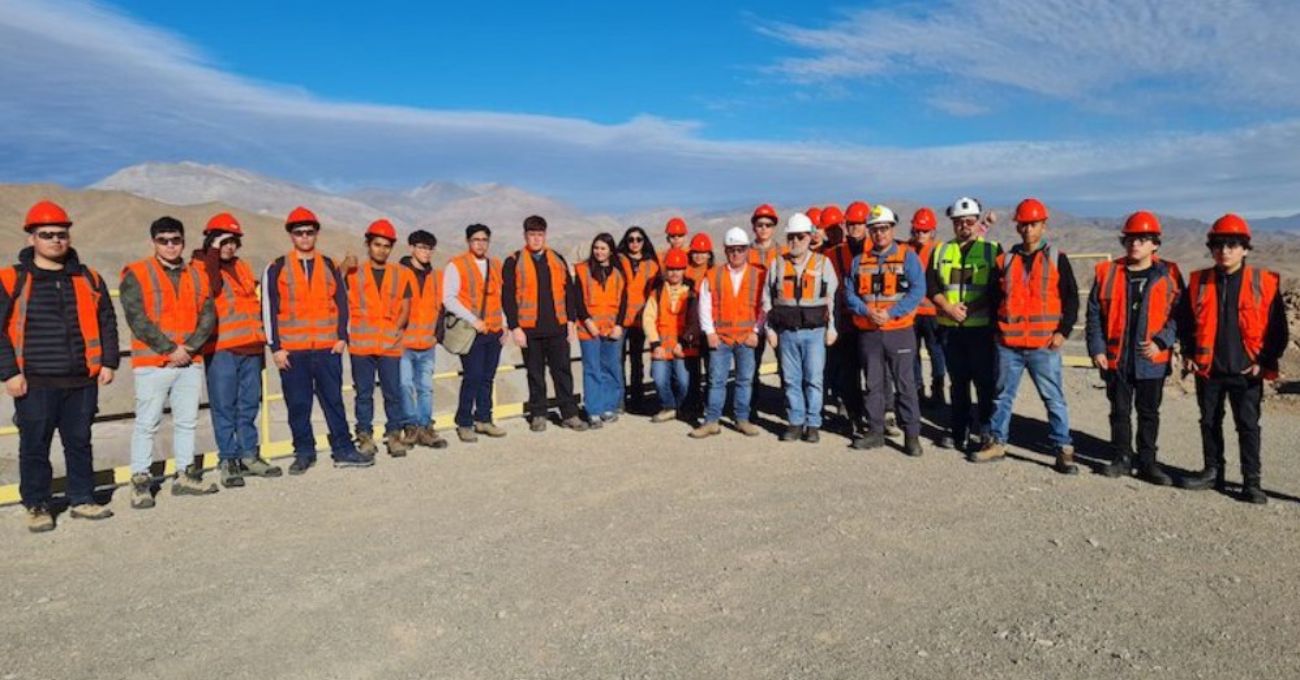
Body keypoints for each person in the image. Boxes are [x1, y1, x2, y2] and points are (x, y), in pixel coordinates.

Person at [1, 200, 120, 531]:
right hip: (34, 381)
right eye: (47, 234)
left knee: (79, 442)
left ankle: (82, 498)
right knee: (35, 446)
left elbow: (107, 321)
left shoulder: (88, 277)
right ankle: (37, 504)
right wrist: (9, 371)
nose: (56, 240)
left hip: (81, 379)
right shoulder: (11, 279)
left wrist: (109, 362)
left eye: (62, 234)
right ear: (31, 238)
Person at [1177, 214, 1288, 504]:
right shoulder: (1199, 281)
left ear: (1245, 249)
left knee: (1248, 426)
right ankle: (1214, 472)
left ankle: (1252, 482)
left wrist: (1264, 361)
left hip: (1246, 371)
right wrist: (1188, 353)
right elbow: (1186, 322)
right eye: (1218, 245)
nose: (1224, 250)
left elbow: (1278, 329)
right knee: (1209, 421)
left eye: (1232, 244)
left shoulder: (1263, 282)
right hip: (1209, 368)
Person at [971, 199, 1080, 474]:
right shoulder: (1005, 260)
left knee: (1053, 398)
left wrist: (1062, 333)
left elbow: (1071, 299)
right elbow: (994, 298)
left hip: (1045, 344)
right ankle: (997, 442)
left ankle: (1063, 448)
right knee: (1001, 397)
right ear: (1017, 227)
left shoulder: (1057, 258)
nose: (1028, 229)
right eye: (1023, 224)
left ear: (1043, 225)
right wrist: (998, 332)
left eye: (1033, 224)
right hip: (1009, 345)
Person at [263, 207, 373, 472]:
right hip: (293, 352)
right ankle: (303, 452)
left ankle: (343, 450)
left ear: (316, 234)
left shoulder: (328, 265)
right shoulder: (276, 267)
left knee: (333, 401)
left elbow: (342, 302)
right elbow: (268, 308)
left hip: (327, 349)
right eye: (299, 233)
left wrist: (341, 337)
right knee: (298, 404)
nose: (304, 237)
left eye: (309, 232)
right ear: (291, 235)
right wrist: (276, 348)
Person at [121, 216, 219, 507]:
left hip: (189, 360)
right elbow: (136, 317)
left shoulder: (198, 275)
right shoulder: (137, 273)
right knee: (147, 422)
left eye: (175, 240)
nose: (170, 245)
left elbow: (208, 314)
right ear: (154, 243)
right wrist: (168, 349)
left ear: (183, 242)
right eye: (163, 240)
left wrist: (188, 347)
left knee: (187, 421)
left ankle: (185, 475)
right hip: (153, 363)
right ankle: (140, 480)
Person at [1086, 211, 1181, 486]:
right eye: (1130, 239)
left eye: (1142, 239)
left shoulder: (1169, 273)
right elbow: (1094, 314)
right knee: (1119, 411)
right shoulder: (1108, 272)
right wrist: (1097, 348)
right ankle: (1122, 458)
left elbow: (1180, 315)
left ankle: (1148, 462)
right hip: (1116, 358)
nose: (1135, 244)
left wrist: (1162, 341)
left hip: (1151, 358)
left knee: (1149, 412)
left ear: (1155, 244)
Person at [192, 213, 281, 488]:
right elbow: (213, 289)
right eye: (223, 241)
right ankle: (228, 460)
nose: (230, 247)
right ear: (211, 241)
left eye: (234, 242)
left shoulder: (242, 266)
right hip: (222, 349)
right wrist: (213, 255)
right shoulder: (199, 266)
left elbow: (253, 300)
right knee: (224, 406)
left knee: (248, 405)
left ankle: (249, 455)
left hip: (250, 347)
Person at [844, 206, 926, 455]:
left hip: (899, 330)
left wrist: (891, 313)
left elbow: (917, 290)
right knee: (873, 384)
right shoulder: (860, 261)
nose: (879, 234)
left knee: (905, 384)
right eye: (875, 230)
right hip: (869, 332)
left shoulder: (907, 256)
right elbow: (849, 292)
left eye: (884, 229)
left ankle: (912, 437)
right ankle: (875, 432)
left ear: (892, 229)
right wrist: (867, 311)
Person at [928, 197, 1002, 451]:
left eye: (970, 221)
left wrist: (971, 309)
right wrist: (948, 308)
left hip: (981, 329)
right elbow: (932, 285)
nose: (964, 226)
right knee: (958, 383)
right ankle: (959, 429)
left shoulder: (992, 250)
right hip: (951, 329)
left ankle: (985, 430)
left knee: (984, 382)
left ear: (977, 222)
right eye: (959, 222)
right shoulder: (941, 251)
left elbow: (997, 288)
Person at [503, 215, 586, 432]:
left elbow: (569, 291)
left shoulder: (557, 259)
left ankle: (569, 413)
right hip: (529, 330)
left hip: (557, 328)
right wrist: (515, 327)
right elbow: (508, 296)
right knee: (535, 373)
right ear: (525, 236)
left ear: (545, 235)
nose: (536, 239)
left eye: (540, 234)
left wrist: (570, 320)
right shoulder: (514, 260)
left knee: (562, 372)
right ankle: (538, 413)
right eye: (532, 235)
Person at [763, 213, 838, 443]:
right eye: (792, 237)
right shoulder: (777, 264)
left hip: (814, 333)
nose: (796, 241)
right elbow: (767, 300)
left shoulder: (823, 263)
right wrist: (770, 330)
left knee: (814, 379)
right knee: (791, 380)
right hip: (786, 333)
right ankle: (795, 422)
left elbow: (832, 298)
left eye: (800, 236)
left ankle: (813, 424)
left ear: (809, 237)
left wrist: (832, 328)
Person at [347, 219, 413, 458]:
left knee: (392, 393)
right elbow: (330, 286)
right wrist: (344, 266)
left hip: (390, 345)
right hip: (362, 346)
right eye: (377, 244)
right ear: (368, 244)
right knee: (363, 394)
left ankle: (394, 435)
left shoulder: (400, 273)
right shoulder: (354, 272)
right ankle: (364, 436)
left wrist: (396, 329)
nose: (382, 249)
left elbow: (406, 306)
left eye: (386, 245)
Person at [692, 227, 764, 438]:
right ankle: (712, 421)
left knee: (744, 380)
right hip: (720, 338)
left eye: (740, 249)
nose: (736, 254)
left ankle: (742, 419)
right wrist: (709, 332)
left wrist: (756, 331)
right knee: (716, 381)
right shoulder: (713, 275)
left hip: (746, 337)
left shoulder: (758, 275)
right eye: (731, 249)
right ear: (725, 250)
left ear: (747, 250)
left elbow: (764, 306)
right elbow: (704, 305)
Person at [443, 223, 508, 442]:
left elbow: (501, 297)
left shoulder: (496, 265)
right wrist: (473, 320)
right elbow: (448, 298)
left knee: (488, 377)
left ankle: (484, 419)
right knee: (472, 376)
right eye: (476, 240)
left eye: (484, 240)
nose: (480, 244)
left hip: (494, 330)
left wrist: (505, 325)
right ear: (468, 241)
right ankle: (464, 421)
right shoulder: (457, 265)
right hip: (471, 331)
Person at [398, 229, 448, 449]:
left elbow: (442, 308)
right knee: (405, 385)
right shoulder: (398, 274)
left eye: (429, 248)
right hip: (403, 344)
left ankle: (426, 427)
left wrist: (438, 335)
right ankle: (410, 427)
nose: (426, 252)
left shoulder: (437, 276)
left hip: (427, 343)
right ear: (411, 248)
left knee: (426, 387)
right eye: (422, 247)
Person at [573, 233, 628, 427]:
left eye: (603, 248)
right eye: (596, 247)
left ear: (611, 250)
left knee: (611, 368)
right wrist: (588, 322)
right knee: (592, 369)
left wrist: (619, 325)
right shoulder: (582, 270)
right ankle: (593, 410)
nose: (599, 251)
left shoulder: (619, 273)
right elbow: (577, 299)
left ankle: (608, 407)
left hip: (612, 329)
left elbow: (623, 302)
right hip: (589, 329)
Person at [825, 201, 870, 435]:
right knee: (849, 372)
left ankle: (878, 417)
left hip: (871, 319)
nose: (854, 228)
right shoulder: (833, 254)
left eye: (859, 224)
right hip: (845, 320)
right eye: (850, 224)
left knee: (873, 372)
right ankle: (855, 417)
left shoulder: (878, 249)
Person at [643, 248, 698, 423]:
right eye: (671, 269)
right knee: (659, 379)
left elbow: (695, 320)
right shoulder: (657, 292)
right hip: (662, 346)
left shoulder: (692, 292)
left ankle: (679, 407)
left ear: (684, 270)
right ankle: (669, 407)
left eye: (678, 269)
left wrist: (683, 342)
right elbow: (648, 318)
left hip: (683, 347)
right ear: (666, 270)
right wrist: (654, 343)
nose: (674, 273)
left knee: (683, 382)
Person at [617, 226, 658, 413]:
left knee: (636, 360)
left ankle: (637, 398)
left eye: (638, 239)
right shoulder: (617, 261)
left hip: (640, 320)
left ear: (644, 241)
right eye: (631, 239)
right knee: (617, 361)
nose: (634, 243)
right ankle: (618, 400)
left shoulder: (652, 264)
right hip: (619, 319)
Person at [909, 208, 946, 408]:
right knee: (913, 352)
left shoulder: (940, 250)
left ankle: (938, 388)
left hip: (933, 313)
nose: (921, 235)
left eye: (924, 231)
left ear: (932, 231)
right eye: (917, 231)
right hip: (912, 314)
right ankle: (917, 388)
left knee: (936, 352)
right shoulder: (907, 249)